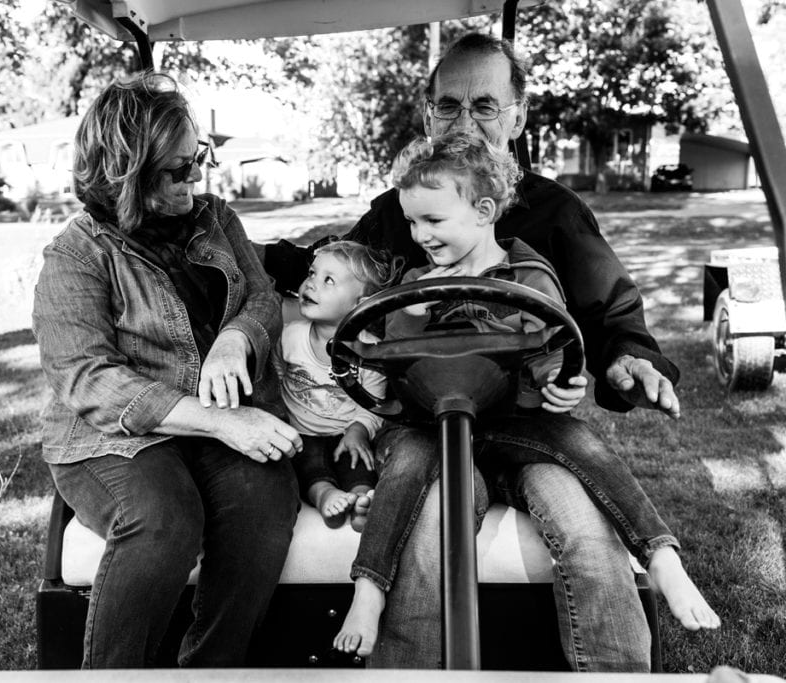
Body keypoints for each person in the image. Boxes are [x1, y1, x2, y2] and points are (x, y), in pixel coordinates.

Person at [260, 33, 691, 671]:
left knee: (585, 525)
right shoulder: (401, 210)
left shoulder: (555, 213)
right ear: (428, 112)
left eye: (484, 106)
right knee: (431, 522)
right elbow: (337, 274)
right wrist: (251, 267)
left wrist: (627, 358)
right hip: (431, 430)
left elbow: (607, 313)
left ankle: (617, 673)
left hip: (529, 424)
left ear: (517, 116)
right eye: (447, 106)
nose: (464, 121)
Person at [332, 132, 720, 658]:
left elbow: (551, 353)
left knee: (580, 451)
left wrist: (564, 384)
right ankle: (380, 610)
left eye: (433, 221)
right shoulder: (416, 283)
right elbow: (386, 355)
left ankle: (658, 556)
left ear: (484, 210)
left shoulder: (529, 276)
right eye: (412, 222)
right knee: (415, 494)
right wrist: (409, 313)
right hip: (434, 432)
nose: (419, 234)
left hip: (516, 430)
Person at [31, 71, 302, 668]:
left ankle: (208, 673)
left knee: (265, 504)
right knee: (163, 519)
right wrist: (218, 420)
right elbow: (86, 380)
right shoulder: (77, 254)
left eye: (197, 158)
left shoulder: (215, 220)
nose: (197, 177)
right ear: (129, 169)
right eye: (179, 169)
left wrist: (236, 338)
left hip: (216, 422)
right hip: (109, 438)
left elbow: (261, 298)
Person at [278, 240, 402, 530]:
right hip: (301, 433)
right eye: (311, 273)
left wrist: (357, 432)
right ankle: (325, 497)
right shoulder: (289, 337)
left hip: (347, 432)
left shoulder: (370, 352)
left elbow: (374, 407)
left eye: (328, 280)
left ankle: (361, 500)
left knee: (359, 461)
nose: (311, 284)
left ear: (359, 305)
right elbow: (270, 380)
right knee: (306, 463)